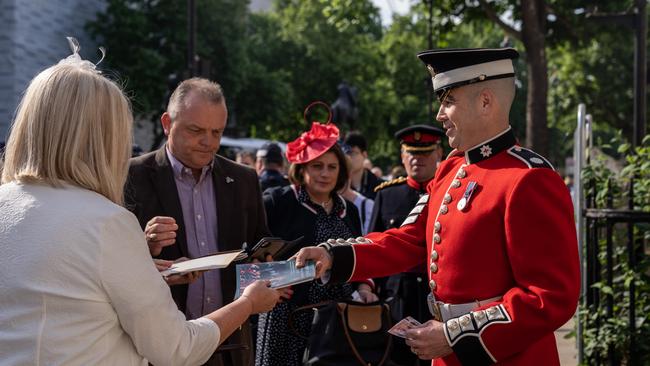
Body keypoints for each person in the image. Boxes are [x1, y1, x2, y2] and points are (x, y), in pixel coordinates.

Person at [0, 43, 282, 365]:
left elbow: (68, 289)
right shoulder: (106, 222)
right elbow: (177, 349)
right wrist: (248, 303)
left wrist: (145, 272)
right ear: (106, 138)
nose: (208, 141)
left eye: (216, 132)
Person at [295, 47, 580, 365]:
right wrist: (334, 255)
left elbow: (550, 296)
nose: (439, 114)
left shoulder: (528, 178)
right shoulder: (451, 168)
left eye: (449, 101)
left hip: (504, 355)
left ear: (485, 101)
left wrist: (455, 336)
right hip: (446, 350)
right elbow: (410, 240)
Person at [124, 77, 271, 366]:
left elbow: (258, 244)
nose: (209, 142)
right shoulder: (130, 176)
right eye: (196, 130)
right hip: (160, 348)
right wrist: (144, 246)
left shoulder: (243, 179)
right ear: (167, 123)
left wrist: (265, 266)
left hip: (231, 344)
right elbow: (110, 263)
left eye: (217, 132)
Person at [256, 122, 377, 366]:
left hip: (337, 319)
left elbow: (359, 255)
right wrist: (268, 283)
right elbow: (251, 254)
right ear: (301, 169)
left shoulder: (349, 210)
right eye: (317, 166)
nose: (325, 173)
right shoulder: (278, 201)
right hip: (285, 318)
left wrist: (364, 288)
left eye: (332, 167)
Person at [369, 124, 445, 366]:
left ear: (439, 154)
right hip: (398, 297)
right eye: (411, 153)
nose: (417, 160)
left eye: (424, 153)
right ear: (402, 156)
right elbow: (374, 243)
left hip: (438, 296)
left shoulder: (448, 193)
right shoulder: (386, 195)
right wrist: (369, 288)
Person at [344, 131, 384, 199]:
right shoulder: (339, 186)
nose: (348, 157)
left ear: (364, 155)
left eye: (353, 153)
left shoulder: (380, 187)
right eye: (346, 153)